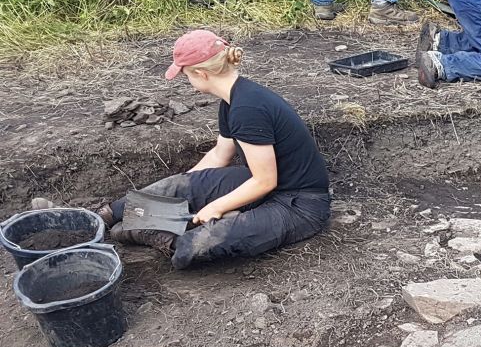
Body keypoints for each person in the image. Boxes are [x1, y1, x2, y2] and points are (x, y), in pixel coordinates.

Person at [100, 31, 332, 269]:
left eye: (186, 76)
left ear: (201, 73)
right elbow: (219, 155)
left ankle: (158, 233)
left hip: (300, 204)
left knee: (198, 244)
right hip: (266, 182)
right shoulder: (233, 100)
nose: (188, 83)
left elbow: (265, 181)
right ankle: (107, 216)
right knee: (182, 185)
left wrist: (216, 206)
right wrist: (189, 185)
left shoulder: (248, 109)